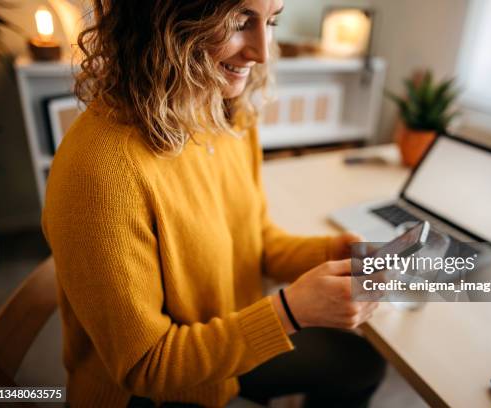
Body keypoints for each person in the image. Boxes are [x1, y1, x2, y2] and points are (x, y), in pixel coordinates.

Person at [42, 1, 386, 407]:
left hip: (224, 336)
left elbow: (253, 241)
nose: (261, 51)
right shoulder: (99, 171)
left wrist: (332, 256)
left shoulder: (226, 115)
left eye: (272, 21)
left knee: (360, 364)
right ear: (164, 21)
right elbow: (145, 366)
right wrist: (290, 313)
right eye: (240, 22)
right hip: (148, 393)